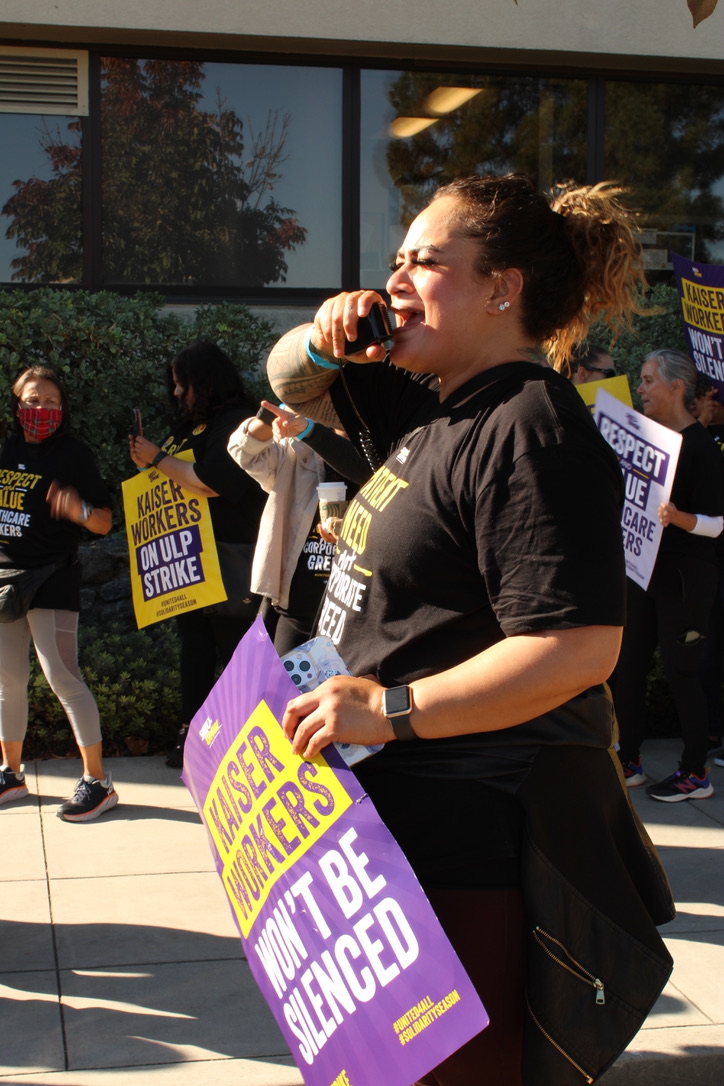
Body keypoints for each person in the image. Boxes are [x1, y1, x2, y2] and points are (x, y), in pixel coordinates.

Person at [266, 174, 675, 1086]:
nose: (396, 279)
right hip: (383, 846)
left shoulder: (532, 428)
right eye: (395, 260)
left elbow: (576, 647)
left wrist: (394, 707)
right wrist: (329, 330)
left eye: (425, 260)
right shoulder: (434, 408)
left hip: (461, 862)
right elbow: (287, 380)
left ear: (504, 287)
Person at [129, 342, 266, 767]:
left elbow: (210, 483)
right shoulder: (190, 427)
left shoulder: (238, 423)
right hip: (190, 562)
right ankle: (192, 739)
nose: (176, 394)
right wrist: (150, 464)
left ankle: (234, 744)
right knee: (195, 652)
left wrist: (157, 458)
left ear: (204, 382)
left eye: (181, 384)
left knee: (230, 654)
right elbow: (170, 477)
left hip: (229, 559)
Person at [0, 366, 117, 822]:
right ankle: (10, 774)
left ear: (62, 409)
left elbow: (104, 521)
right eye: (32, 400)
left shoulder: (73, 455)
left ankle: (98, 781)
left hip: (51, 579)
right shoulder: (7, 448)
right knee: (8, 684)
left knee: (63, 678)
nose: (41, 410)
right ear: (17, 405)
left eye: (50, 402)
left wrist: (78, 508)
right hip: (6, 580)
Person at [612, 349, 724, 799]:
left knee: (683, 673)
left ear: (677, 387)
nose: (640, 388)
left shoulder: (700, 447)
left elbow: (717, 523)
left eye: (647, 380)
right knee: (629, 668)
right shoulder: (651, 441)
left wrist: (677, 518)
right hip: (642, 575)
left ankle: (695, 772)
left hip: (685, 580)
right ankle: (629, 759)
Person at [228, 404, 368, 656]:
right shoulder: (299, 446)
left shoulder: (380, 447)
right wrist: (277, 412)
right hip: (298, 603)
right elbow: (243, 452)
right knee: (279, 689)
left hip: (357, 607)